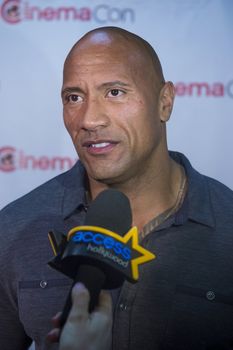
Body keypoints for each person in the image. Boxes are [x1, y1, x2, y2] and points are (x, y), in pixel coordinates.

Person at [0, 26, 233, 350]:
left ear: (164, 102)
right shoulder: (13, 229)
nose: (89, 119)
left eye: (115, 92)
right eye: (74, 97)